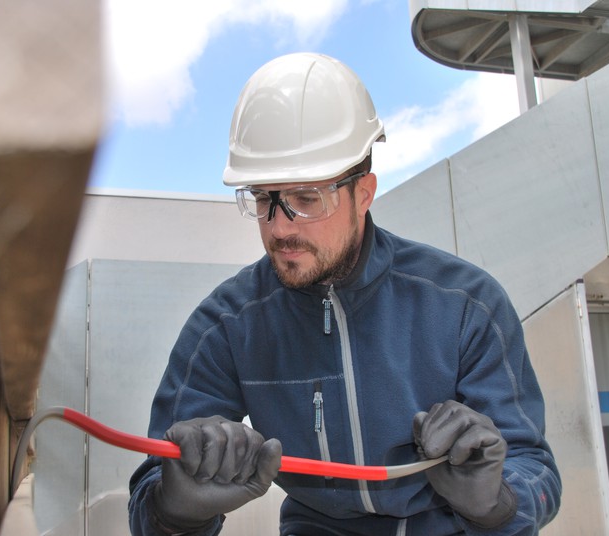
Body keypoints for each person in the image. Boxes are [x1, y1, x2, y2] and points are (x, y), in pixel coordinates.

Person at [128, 52, 561, 536]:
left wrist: (497, 502)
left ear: (365, 193)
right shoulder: (227, 327)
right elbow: (149, 495)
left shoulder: (465, 306)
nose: (279, 227)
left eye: (306, 199)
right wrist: (172, 510)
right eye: (263, 199)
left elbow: (536, 471)